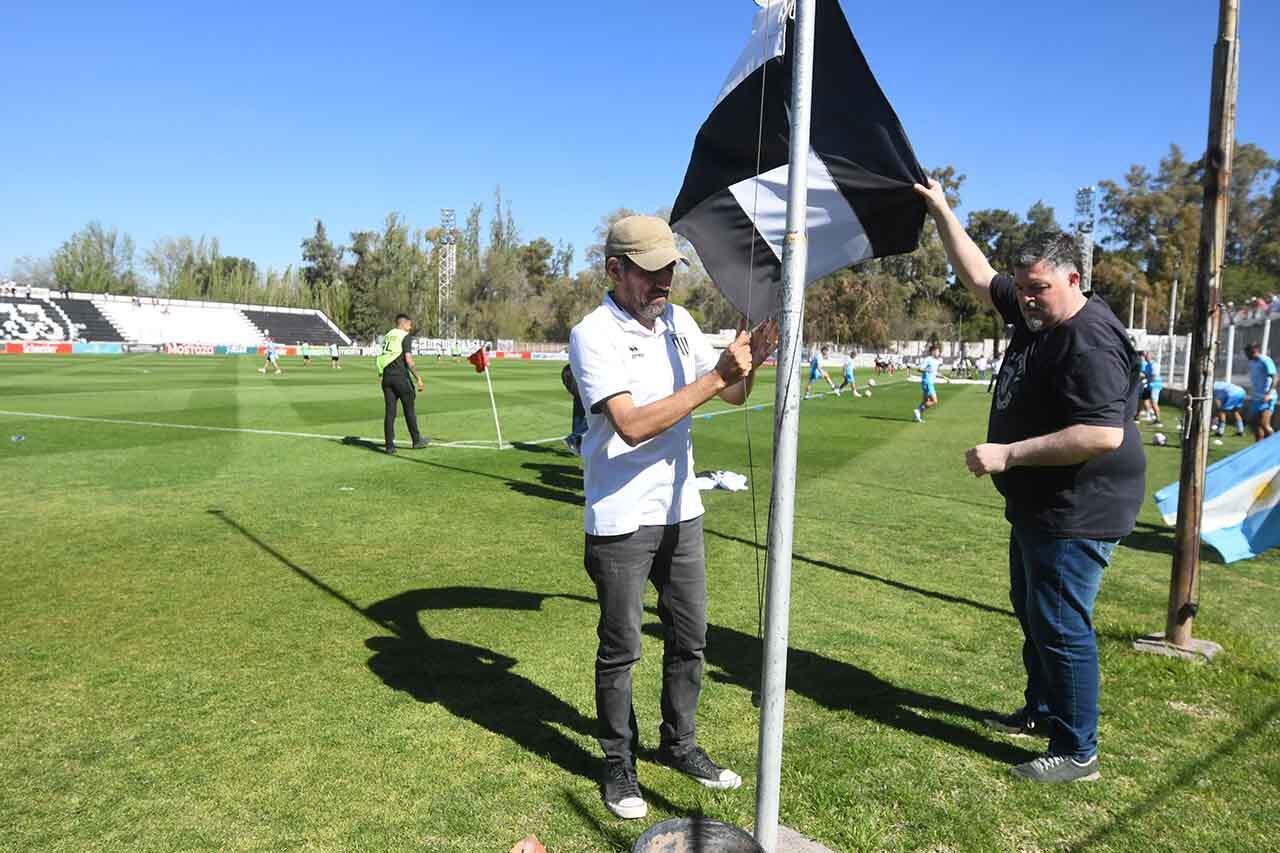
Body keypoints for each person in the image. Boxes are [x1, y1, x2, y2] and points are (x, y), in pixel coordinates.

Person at [915, 178, 1145, 784]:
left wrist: (1009, 455)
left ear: (1075, 280)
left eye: (1038, 288)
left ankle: (1078, 751)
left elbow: (1101, 435)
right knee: (1036, 610)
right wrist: (942, 209)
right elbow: (975, 274)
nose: (1027, 299)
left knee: (1062, 622)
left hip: (1079, 507)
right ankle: (1043, 710)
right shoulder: (1037, 316)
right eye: (1022, 289)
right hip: (1043, 505)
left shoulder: (1087, 339)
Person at [568, 215, 777, 819]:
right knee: (622, 646)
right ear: (615, 269)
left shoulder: (681, 323)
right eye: (652, 273)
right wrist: (717, 377)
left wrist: (750, 363)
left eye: (670, 273)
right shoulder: (594, 334)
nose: (665, 284)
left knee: (691, 637)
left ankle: (679, 744)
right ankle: (618, 763)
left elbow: (731, 393)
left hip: (682, 508)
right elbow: (630, 426)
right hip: (621, 515)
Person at [376, 314, 430, 454]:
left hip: (387, 378)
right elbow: (409, 360)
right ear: (404, 324)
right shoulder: (404, 337)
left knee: (390, 412)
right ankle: (416, 440)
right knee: (409, 409)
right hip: (400, 377)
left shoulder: (388, 335)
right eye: (409, 325)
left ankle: (389, 446)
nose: (410, 328)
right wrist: (418, 377)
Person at [1246, 342, 1277, 441]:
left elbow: (1275, 378)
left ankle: (1275, 447)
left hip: (1266, 398)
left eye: (1247, 352)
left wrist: (1268, 394)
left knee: (1264, 424)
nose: (1246, 355)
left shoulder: (1266, 360)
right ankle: (1258, 447)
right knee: (1255, 424)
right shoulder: (1251, 362)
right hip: (1256, 397)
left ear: (1254, 351)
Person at [912, 344, 945, 422]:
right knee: (934, 401)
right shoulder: (928, 359)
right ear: (933, 352)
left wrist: (942, 376)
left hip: (929, 382)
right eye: (937, 351)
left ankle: (917, 416)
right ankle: (918, 411)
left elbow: (934, 372)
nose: (939, 353)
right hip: (927, 382)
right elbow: (919, 369)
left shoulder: (937, 361)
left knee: (925, 401)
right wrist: (926, 370)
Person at [561, 364, 588, 455]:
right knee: (597, 414)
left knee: (578, 414)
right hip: (579, 380)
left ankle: (576, 442)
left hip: (573, 377)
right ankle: (573, 439)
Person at [1138, 351, 1163, 426]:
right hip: (1149, 385)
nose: (1145, 356)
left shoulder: (1154, 365)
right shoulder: (1147, 365)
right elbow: (1145, 374)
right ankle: (1138, 417)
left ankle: (1158, 421)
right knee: (1144, 399)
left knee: (1154, 403)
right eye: (1145, 355)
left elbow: (1154, 376)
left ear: (1151, 357)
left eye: (1147, 355)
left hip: (1155, 386)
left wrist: (1145, 378)